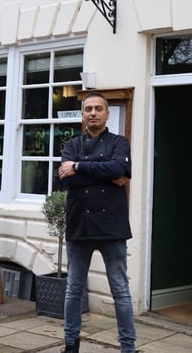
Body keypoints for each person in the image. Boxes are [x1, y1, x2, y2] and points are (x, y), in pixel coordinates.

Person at [57, 91, 136, 353]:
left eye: (98, 109)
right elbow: (66, 179)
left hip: (112, 227)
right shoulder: (72, 144)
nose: (92, 113)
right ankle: (70, 344)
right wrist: (105, 171)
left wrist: (79, 167)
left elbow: (120, 171)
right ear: (82, 114)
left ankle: (127, 347)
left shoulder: (119, 142)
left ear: (107, 113)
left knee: (120, 291)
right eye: (88, 109)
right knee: (73, 289)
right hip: (79, 225)